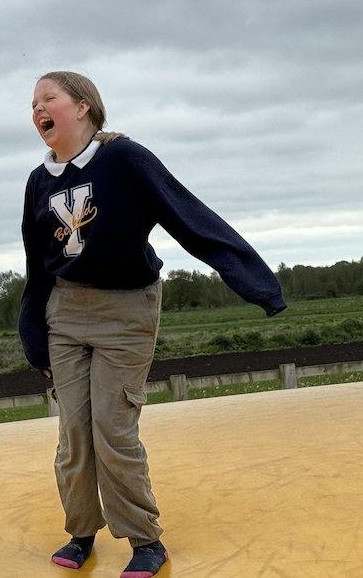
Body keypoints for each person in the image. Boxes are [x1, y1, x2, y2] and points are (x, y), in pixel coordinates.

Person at [18, 71, 286, 577]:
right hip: (65, 312)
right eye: (32, 104)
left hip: (126, 310)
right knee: (74, 432)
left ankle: (145, 541)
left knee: (114, 427)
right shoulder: (38, 180)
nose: (37, 110)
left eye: (47, 98)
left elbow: (188, 215)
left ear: (83, 107)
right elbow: (37, 265)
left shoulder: (124, 158)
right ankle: (80, 532)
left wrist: (256, 283)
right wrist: (34, 339)